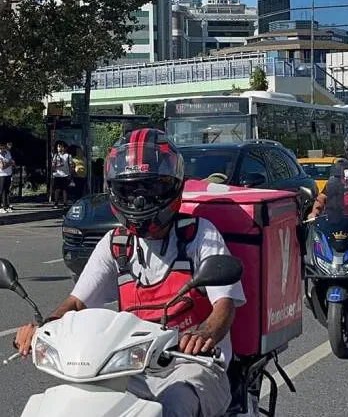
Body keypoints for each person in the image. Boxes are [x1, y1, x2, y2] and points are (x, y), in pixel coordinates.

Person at [15, 128, 245, 417]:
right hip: (127, 368)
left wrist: (205, 333)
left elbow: (224, 306)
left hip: (194, 367)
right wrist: (46, 328)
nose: (139, 201)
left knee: (172, 406)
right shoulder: (116, 244)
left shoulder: (200, 235)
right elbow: (76, 303)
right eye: (129, 190)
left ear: (172, 186)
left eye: (149, 189)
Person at [51, 141, 73, 208]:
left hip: (65, 175)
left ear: (65, 148)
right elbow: (53, 166)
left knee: (65, 190)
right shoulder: (56, 155)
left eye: (61, 146)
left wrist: (71, 174)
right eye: (58, 147)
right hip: (57, 175)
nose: (60, 148)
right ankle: (56, 203)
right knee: (57, 190)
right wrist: (53, 167)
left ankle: (65, 203)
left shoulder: (68, 156)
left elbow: (71, 165)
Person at [0, 141, 14, 213]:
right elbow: (2, 167)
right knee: (1, 191)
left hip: (8, 174)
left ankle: (5, 206)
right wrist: (9, 163)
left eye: (2, 148)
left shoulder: (7, 153)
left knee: (6, 191)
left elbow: (13, 162)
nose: (1, 150)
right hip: (1, 175)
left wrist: (7, 163)